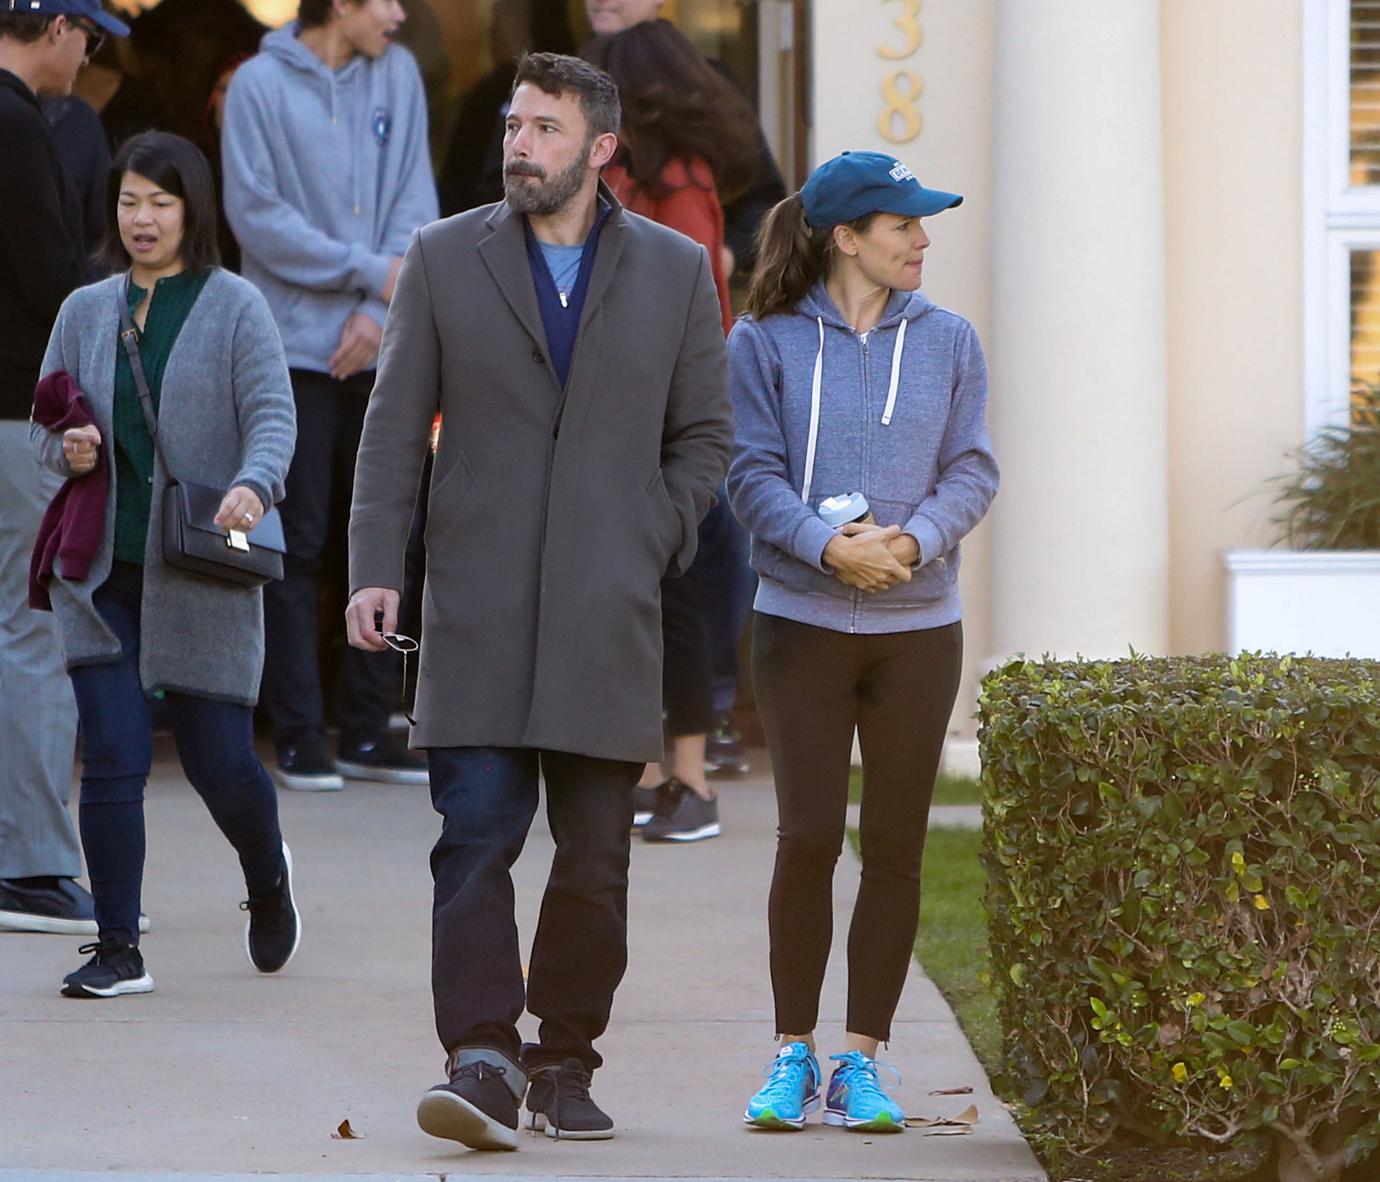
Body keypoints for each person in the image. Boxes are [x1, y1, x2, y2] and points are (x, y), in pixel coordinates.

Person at [345, 51, 731, 1149]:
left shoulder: (673, 269)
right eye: (516, 126)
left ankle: (564, 1061)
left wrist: (652, 529)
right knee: (473, 838)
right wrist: (379, 565)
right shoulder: (442, 257)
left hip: (609, 614)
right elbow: (390, 428)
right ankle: (477, 1056)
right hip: (474, 607)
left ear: (601, 147)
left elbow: (703, 435)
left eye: (546, 129)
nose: (521, 145)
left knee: (597, 856)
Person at [728, 151, 998, 1132]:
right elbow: (746, 473)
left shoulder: (951, 341)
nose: (923, 241)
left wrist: (914, 544)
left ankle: (863, 1062)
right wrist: (825, 548)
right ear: (846, 238)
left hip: (918, 630)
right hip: (799, 625)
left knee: (894, 845)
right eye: (904, 226)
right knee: (806, 840)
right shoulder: (762, 342)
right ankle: (791, 1054)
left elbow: (973, 467)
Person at [30, 131, 300, 999]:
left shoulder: (234, 307)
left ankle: (267, 879)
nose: (142, 219)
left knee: (222, 759)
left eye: (161, 202)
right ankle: (118, 948)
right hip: (100, 570)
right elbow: (47, 422)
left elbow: (272, 417)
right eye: (128, 201)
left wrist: (256, 486)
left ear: (193, 210)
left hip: (200, 570)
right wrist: (66, 448)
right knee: (111, 754)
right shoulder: (84, 310)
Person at [222, 0, 439, 791]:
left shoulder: (400, 75)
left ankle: (370, 730)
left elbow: (419, 204)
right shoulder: (257, 85)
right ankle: (301, 734)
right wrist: (364, 272)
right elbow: (257, 220)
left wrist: (384, 312)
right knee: (298, 536)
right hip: (289, 347)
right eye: (384, 0)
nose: (400, 13)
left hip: (383, 341)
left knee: (386, 531)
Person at [584, 18, 755, 842]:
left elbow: (680, 309)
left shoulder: (678, 182)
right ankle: (653, 777)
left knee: (675, 598)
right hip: (626, 417)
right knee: (637, 603)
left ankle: (689, 782)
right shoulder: (634, 176)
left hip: (664, 422)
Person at [0, 0, 129, 937]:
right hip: (17, 411)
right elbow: (52, 279)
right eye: (86, 34)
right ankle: (36, 864)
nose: (86, 55)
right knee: (35, 628)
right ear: (54, 30)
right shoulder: (17, 125)